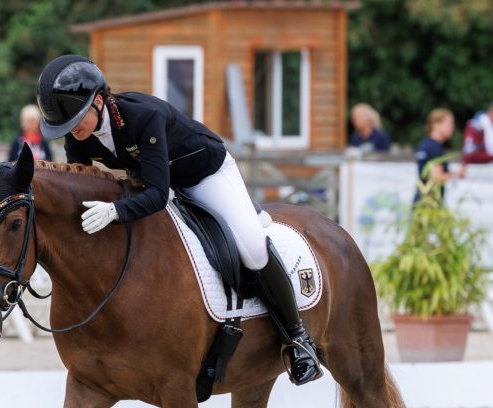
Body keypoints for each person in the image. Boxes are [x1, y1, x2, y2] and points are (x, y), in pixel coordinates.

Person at [36, 54, 322, 385]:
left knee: (254, 249)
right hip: (160, 180)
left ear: (99, 101)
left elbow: (157, 196)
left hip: (207, 174)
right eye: (65, 128)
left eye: (75, 122)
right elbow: (85, 187)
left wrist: (115, 210)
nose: (72, 133)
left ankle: (298, 340)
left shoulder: (144, 116)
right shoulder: (78, 135)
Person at [414, 108, 465, 203]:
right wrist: (457, 174)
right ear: (435, 124)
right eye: (449, 124)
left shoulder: (425, 144)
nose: (452, 127)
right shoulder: (434, 147)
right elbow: (436, 177)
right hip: (429, 205)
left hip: (422, 202)